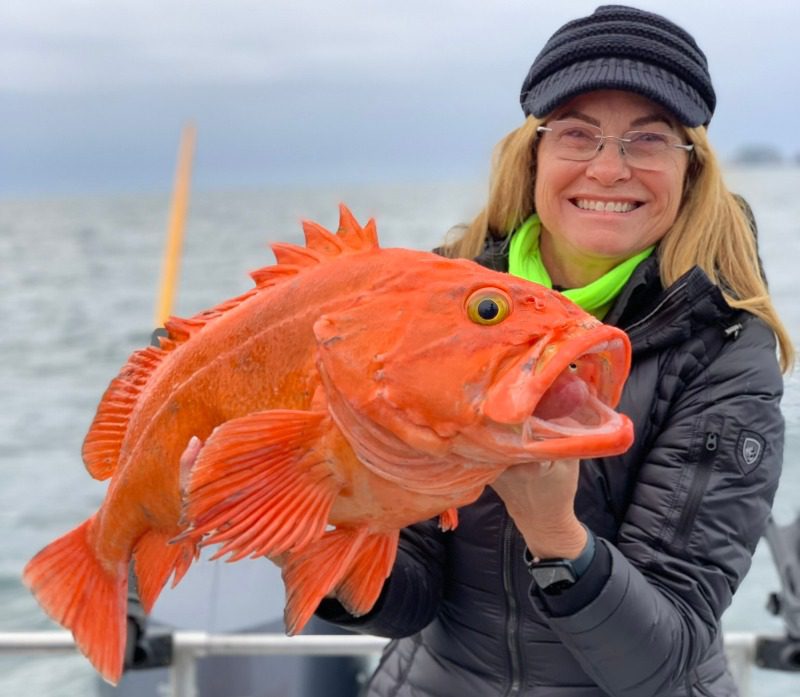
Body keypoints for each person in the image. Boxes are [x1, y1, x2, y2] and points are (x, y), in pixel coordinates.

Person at [314, 5, 795, 696]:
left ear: (690, 168)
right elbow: (410, 594)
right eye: (577, 134)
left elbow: (664, 657)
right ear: (533, 152)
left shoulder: (725, 349)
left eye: (648, 139)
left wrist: (554, 530)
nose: (608, 169)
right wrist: (308, 535)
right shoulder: (435, 299)